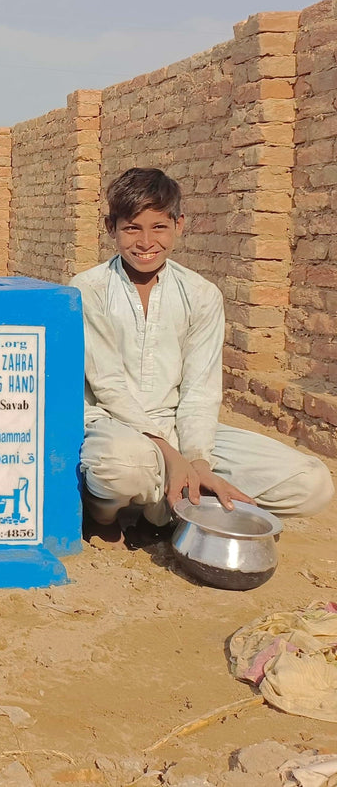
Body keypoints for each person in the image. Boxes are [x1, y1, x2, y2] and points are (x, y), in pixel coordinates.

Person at [72, 167, 334, 546]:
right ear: (111, 227)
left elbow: (200, 390)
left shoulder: (201, 294)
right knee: (123, 465)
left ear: (179, 225)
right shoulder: (88, 290)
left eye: (159, 227)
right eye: (132, 228)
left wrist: (197, 460)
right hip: (115, 426)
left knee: (312, 482)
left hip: (178, 426)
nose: (146, 242)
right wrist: (173, 456)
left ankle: (175, 503)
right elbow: (108, 387)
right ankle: (105, 514)